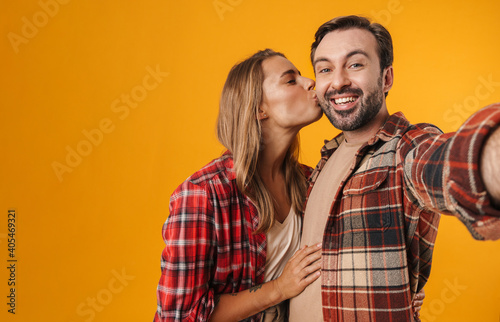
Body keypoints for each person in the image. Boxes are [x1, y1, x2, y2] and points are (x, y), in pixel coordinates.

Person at [289, 15, 500, 321]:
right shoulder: (321, 164)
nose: (337, 82)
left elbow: (447, 163)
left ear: (386, 78)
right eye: (325, 69)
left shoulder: (406, 148)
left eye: (355, 64)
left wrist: (489, 158)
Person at [154, 49, 324, 321]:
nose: (310, 82)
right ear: (259, 108)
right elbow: (181, 315)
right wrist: (279, 288)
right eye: (291, 80)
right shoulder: (203, 194)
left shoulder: (312, 182)